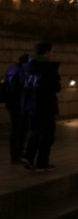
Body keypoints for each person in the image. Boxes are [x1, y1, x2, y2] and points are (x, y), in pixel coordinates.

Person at [20, 41, 61, 172]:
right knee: (48, 135)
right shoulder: (48, 68)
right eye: (52, 52)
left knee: (36, 132)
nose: (52, 55)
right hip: (45, 105)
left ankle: (28, 156)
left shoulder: (27, 68)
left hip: (31, 106)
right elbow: (56, 87)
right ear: (47, 52)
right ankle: (41, 163)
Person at [3, 54, 30, 163]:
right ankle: (16, 154)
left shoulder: (14, 69)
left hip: (17, 104)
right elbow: (18, 88)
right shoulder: (18, 71)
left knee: (21, 129)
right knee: (18, 129)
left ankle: (19, 153)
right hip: (17, 105)